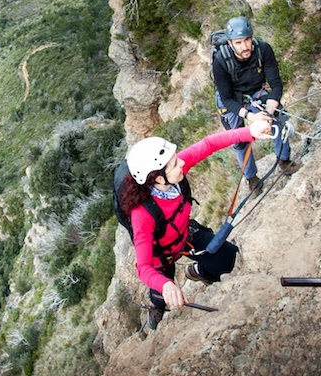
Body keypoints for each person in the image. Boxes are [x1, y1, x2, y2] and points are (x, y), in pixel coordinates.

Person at [119, 120, 274, 330]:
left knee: (228, 256)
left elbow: (208, 144)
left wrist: (249, 132)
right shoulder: (142, 215)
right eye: (174, 164)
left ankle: (199, 271)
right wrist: (165, 284)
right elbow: (144, 267)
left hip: (185, 234)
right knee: (161, 292)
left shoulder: (173, 175)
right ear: (156, 179)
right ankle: (156, 307)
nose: (181, 163)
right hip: (161, 253)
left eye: (176, 160)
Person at [212, 16, 298, 197]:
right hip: (231, 99)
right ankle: (251, 179)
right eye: (239, 42)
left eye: (247, 40)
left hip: (255, 91)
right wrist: (251, 117)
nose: (245, 46)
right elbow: (227, 99)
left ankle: (284, 160)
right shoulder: (220, 60)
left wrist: (268, 112)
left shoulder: (263, 50)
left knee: (278, 120)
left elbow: (276, 85)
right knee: (239, 140)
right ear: (230, 43)